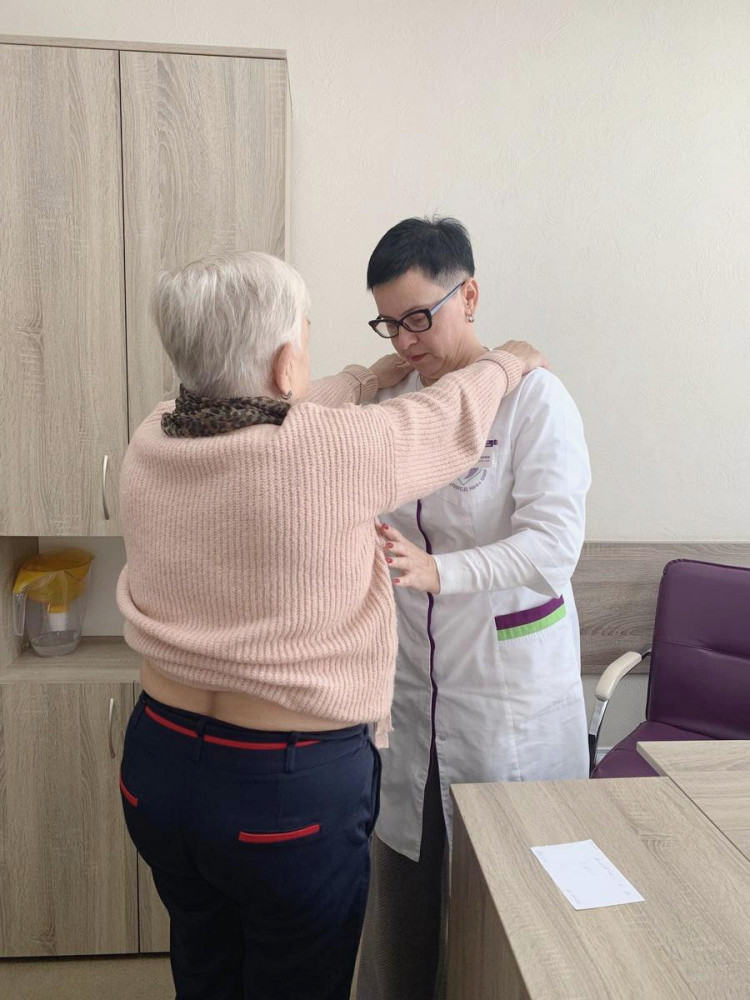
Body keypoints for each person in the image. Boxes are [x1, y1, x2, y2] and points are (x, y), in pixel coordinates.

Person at [115, 249, 543, 1000]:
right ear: (288, 364)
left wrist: (362, 378)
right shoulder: (331, 452)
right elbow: (443, 418)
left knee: (205, 962)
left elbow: (273, 403)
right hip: (282, 792)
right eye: (305, 339)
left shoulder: (152, 436)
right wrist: (506, 362)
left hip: (159, 768)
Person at [355, 218, 591, 1000]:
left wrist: (439, 571)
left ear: (471, 296)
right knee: (408, 908)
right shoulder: (396, 405)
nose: (406, 339)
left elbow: (552, 548)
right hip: (412, 698)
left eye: (419, 317)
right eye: (390, 322)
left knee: (513, 921)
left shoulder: (533, 402)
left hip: (506, 704)